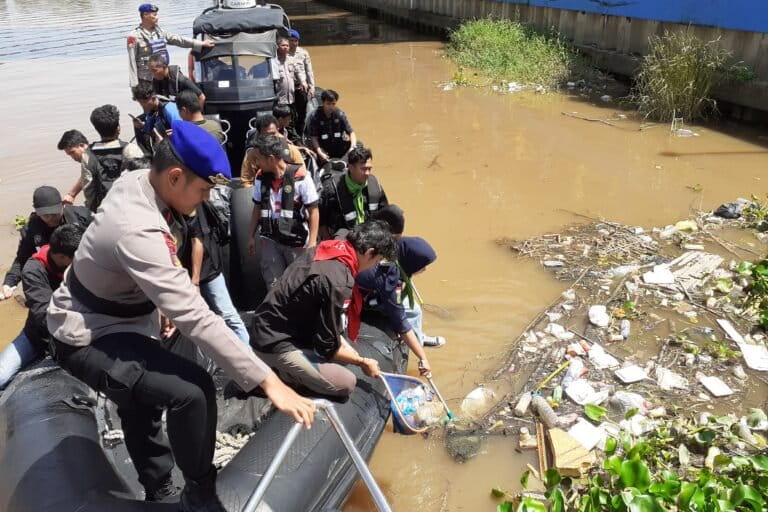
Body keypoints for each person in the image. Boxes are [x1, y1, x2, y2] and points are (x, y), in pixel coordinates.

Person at [47, 121, 315, 511]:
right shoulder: (135, 227)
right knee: (193, 390)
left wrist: (160, 304)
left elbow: (165, 266)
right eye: (204, 190)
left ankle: (158, 489)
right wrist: (268, 380)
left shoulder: (144, 180)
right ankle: (200, 495)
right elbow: (196, 315)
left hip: (133, 316)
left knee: (142, 404)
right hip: (89, 331)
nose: (205, 199)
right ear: (175, 177)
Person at [250, 221, 397, 397]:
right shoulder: (338, 281)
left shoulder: (329, 247)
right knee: (346, 383)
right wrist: (362, 362)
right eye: (378, 260)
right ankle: (280, 376)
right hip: (274, 342)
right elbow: (326, 347)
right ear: (369, 252)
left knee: (344, 352)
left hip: (274, 323)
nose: (375, 265)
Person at [0, 225, 83, 389]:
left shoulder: (85, 265)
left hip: (81, 335)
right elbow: (45, 316)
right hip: (39, 336)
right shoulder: (33, 270)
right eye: (77, 258)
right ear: (60, 256)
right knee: (1, 376)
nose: (83, 261)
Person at [358, 209, 447, 348]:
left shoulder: (397, 258)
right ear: (411, 262)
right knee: (413, 311)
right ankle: (416, 342)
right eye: (422, 266)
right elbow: (397, 310)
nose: (424, 269)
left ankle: (419, 336)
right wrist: (421, 357)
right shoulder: (388, 273)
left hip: (375, 290)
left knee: (412, 307)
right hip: (365, 297)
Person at [247, 135, 319, 286]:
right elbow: (257, 207)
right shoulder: (260, 178)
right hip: (269, 240)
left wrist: (312, 244)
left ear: (271, 159)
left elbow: (313, 211)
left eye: (258, 159)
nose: (256, 163)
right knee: (274, 285)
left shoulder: (301, 178)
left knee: (298, 284)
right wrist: (250, 236)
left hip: (296, 242)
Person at [1, 186, 91, 301]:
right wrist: (9, 282)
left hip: (82, 271)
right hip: (54, 276)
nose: (51, 218)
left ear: (62, 205)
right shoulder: (31, 229)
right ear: (37, 211)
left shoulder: (82, 217)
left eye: (55, 214)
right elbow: (22, 258)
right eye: (46, 215)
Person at [59, 105, 145, 212]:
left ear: (97, 129)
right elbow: (144, 181)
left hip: (105, 211)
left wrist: (93, 212)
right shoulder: (131, 149)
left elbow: (89, 190)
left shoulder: (88, 155)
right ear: (118, 128)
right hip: (133, 208)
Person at [186, 201, 249, 345]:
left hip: (207, 270)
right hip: (185, 272)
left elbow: (198, 241)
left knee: (228, 315)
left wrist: (195, 281)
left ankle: (248, 356)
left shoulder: (192, 202)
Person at [127, 3, 213, 88]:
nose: (157, 17)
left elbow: (179, 40)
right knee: (150, 101)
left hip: (163, 76)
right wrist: (135, 86)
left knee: (167, 100)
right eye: (154, 15)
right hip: (146, 80)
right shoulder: (134, 36)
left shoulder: (160, 32)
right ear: (145, 15)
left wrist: (201, 43)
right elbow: (132, 62)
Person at [319, 145, 387, 239]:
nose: (367, 173)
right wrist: (328, 243)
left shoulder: (375, 185)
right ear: (351, 168)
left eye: (369, 169)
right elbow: (321, 220)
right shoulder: (331, 190)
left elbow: (385, 214)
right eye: (363, 169)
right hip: (343, 234)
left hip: (368, 232)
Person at [240, 115, 304, 187]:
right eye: (266, 135)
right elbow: (246, 181)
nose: (271, 137)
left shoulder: (290, 150)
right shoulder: (254, 154)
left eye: (273, 134)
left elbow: (302, 174)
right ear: (259, 134)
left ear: (278, 129)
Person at [308, 89, 357, 162]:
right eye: (328, 104)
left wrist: (352, 147)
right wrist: (320, 151)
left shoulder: (339, 115)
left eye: (333, 104)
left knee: (358, 146)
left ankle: (343, 163)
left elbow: (351, 132)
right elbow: (314, 137)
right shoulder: (315, 117)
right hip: (324, 148)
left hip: (339, 146)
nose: (331, 107)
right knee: (313, 156)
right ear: (323, 102)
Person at [131, 82, 182, 149]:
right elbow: (149, 129)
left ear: (154, 98)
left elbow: (182, 131)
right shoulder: (151, 110)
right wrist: (142, 126)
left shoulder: (169, 109)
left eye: (144, 102)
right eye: (140, 103)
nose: (142, 106)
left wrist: (173, 135)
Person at [288, 29, 314, 136]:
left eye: (295, 40)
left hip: (302, 87)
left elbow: (309, 71)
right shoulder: (282, 52)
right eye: (291, 40)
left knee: (302, 113)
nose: (293, 43)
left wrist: (312, 87)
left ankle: (301, 133)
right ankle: (291, 134)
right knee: (290, 113)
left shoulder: (303, 53)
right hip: (288, 87)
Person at [275, 37, 306, 119]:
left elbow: (299, 71)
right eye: (283, 45)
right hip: (280, 100)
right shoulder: (274, 62)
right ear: (277, 46)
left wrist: (303, 81)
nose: (285, 47)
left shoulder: (291, 60)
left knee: (292, 119)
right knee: (281, 121)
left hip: (291, 99)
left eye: (287, 45)